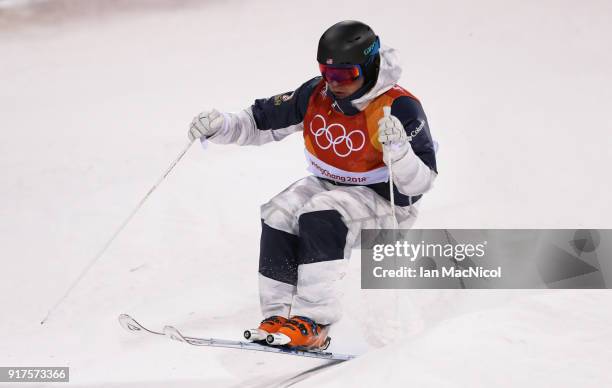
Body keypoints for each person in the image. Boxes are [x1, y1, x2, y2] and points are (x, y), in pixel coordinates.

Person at [188, 20, 437, 350]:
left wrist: (400, 153)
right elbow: (260, 121)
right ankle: (278, 317)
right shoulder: (317, 94)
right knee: (278, 212)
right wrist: (221, 126)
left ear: (369, 65)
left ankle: (314, 323)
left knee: (322, 212)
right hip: (329, 185)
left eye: (345, 75)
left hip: (385, 205)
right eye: (327, 72)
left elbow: (421, 182)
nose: (335, 83)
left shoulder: (399, 106)